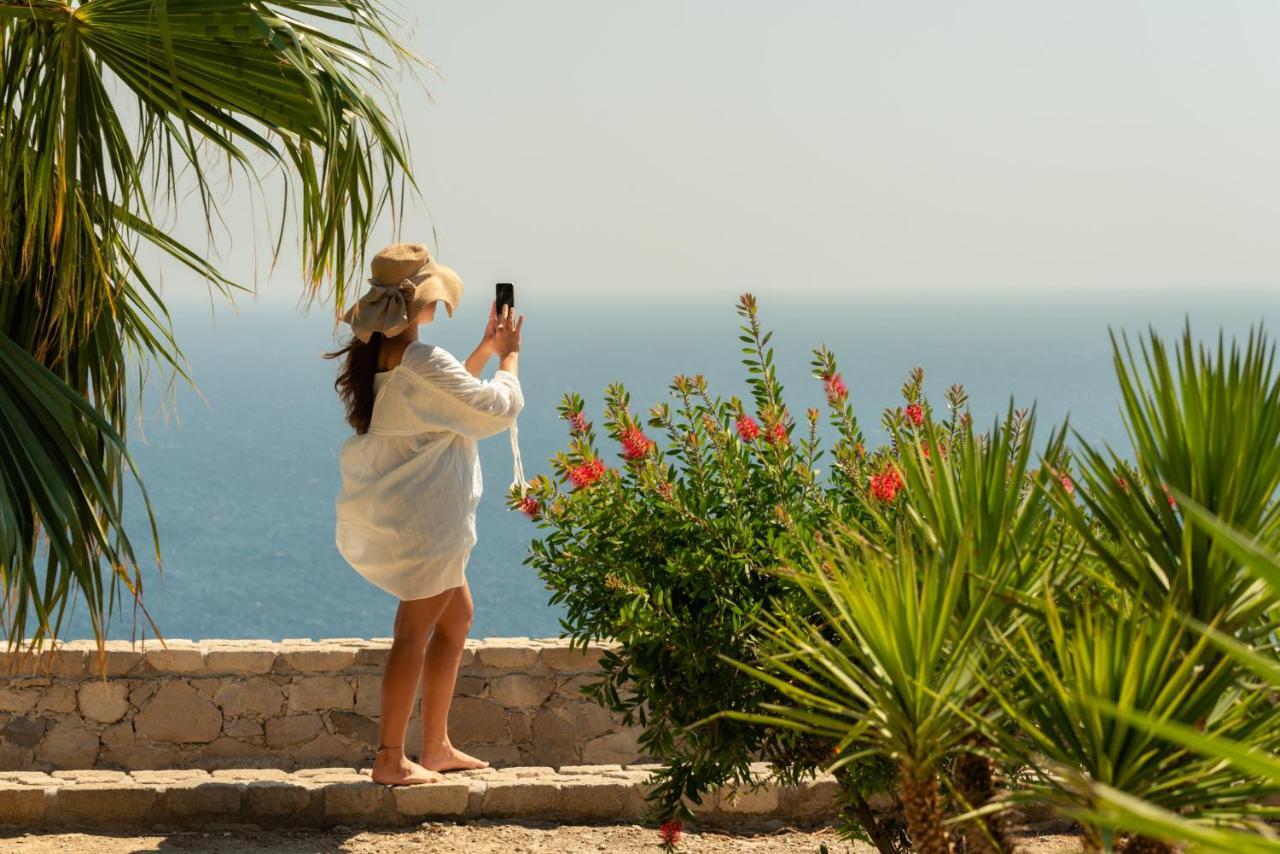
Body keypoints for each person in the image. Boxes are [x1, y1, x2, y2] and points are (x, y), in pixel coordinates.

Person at [324, 242, 525, 785]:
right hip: (431, 521)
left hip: (418, 517)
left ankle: (434, 746)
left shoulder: (388, 360)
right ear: (423, 302)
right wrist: (510, 357)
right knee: (413, 633)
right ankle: (391, 758)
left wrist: (482, 350)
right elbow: (491, 411)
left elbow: (439, 399)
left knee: (455, 618)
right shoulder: (420, 360)